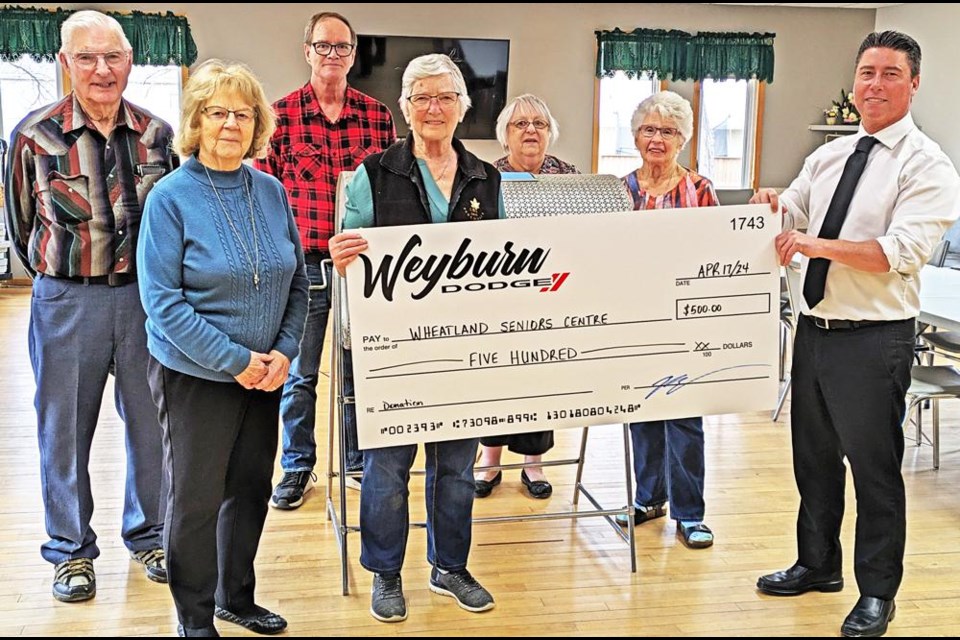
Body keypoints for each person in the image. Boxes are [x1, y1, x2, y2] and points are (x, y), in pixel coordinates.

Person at [752, 31, 960, 637]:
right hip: (813, 333)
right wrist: (772, 204)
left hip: (874, 341)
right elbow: (788, 208)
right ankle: (817, 566)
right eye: (866, 72)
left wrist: (814, 243)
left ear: (914, 83)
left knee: (874, 472)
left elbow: (901, 252)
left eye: (890, 74)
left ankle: (878, 594)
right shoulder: (830, 157)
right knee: (813, 463)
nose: (874, 84)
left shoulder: (929, 165)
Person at [4, 10, 173, 602]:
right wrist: (63, 277)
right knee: (64, 431)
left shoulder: (159, 136)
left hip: (144, 303)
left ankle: (150, 534)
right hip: (66, 303)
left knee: (152, 428)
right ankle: (71, 552)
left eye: (114, 57)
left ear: (131, 61)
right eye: (87, 57)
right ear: (65, 63)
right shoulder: (33, 136)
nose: (103, 69)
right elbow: (23, 224)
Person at [138, 59, 309, 637]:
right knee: (195, 501)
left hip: (266, 374)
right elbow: (164, 305)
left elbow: (298, 280)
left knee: (250, 488)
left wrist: (284, 352)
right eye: (218, 112)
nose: (231, 123)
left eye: (243, 113)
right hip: (197, 377)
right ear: (196, 121)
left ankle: (235, 596)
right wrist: (238, 361)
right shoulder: (170, 198)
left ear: (258, 123)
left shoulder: (271, 191)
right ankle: (193, 617)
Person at [330, 53, 502, 624]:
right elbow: (350, 253)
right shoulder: (371, 173)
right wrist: (338, 253)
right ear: (404, 109)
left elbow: (503, 262)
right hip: (394, 355)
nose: (433, 108)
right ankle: (385, 572)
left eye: (445, 97)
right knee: (386, 469)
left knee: (456, 468)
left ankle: (449, 566)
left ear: (463, 107)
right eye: (421, 97)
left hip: (462, 350)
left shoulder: (486, 176)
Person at [254, 11, 395, 509]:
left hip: (363, 265)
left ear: (353, 55)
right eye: (323, 46)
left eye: (342, 47)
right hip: (305, 264)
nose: (332, 55)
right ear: (308, 51)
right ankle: (297, 467)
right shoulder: (281, 115)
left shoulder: (378, 117)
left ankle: (359, 461)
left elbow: (392, 189)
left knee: (364, 366)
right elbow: (262, 196)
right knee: (300, 372)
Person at [615, 91, 719, 550]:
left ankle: (690, 513)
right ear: (636, 136)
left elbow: (719, 254)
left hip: (684, 319)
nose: (657, 139)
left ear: (684, 139)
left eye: (668, 131)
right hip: (632, 320)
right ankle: (647, 499)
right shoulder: (618, 191)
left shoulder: (700, 189)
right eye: (649, 130)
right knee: (641, 413)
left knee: (683, 417)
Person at [475, 93, 579, 500]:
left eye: (539, 124)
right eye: (521, 125)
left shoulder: (568, 177)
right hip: (499, 294)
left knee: (540, 379)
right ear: (505, 137)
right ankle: (489, 458)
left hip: (551, 294)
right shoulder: (486, 178)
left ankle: (533, 463)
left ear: (550, 133)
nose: (531, 131)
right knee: (495, 377)